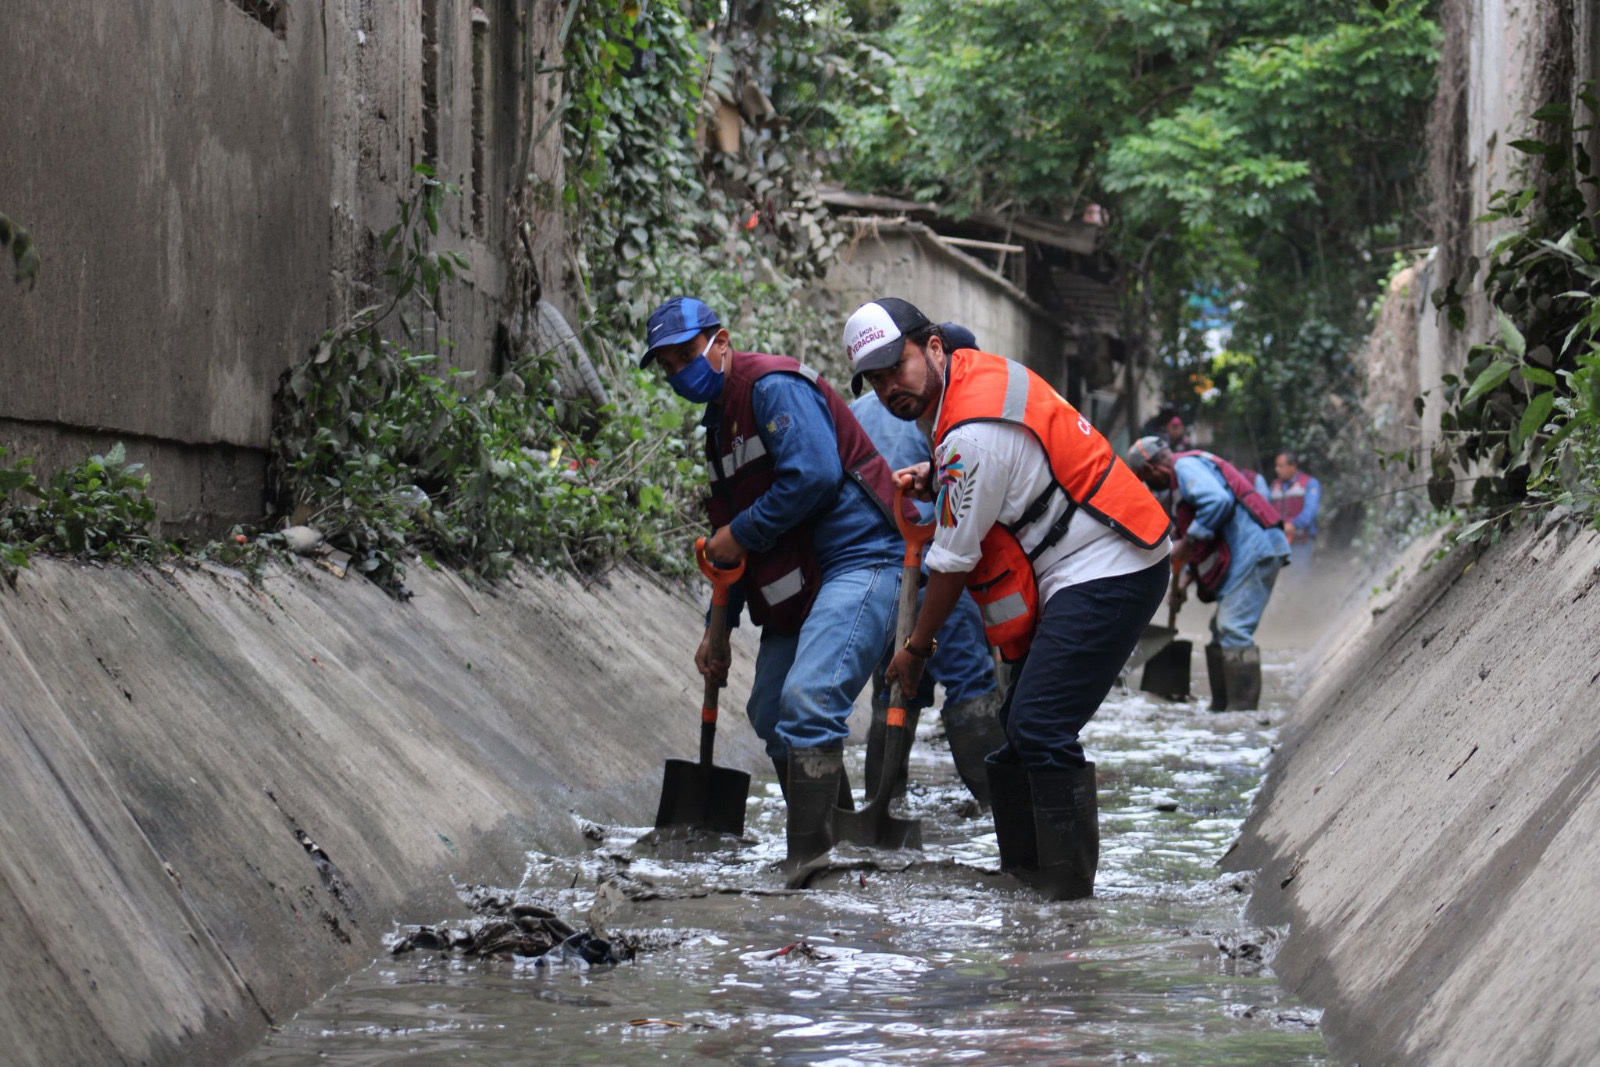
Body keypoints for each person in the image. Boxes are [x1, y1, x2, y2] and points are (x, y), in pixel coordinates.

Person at [844, 297, 1172, 900]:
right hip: (1081, 557)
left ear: (935, 347)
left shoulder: (968, 434)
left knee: (1040, 726)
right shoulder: (969, 384)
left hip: (1111, 563)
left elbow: (951, 562)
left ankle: (1066, 897)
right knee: (1019, 731)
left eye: (899, 366)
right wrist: (935, 474)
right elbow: (999, 464)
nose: (892, 387)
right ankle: (1025, 883)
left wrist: (915, 650)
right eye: (877, 378)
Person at [641, 296, 903, 873]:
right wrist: (719, 631)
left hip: (860, 557)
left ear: (722, 340)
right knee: (769, 712)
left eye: (686, 354)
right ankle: (838, 844)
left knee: (807, 703)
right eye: (667, 365)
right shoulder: (718, 433)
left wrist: (739, 531)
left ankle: (807, 862)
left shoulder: (771, 387)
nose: (678, 371)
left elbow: (813, 475)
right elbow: (727, 548)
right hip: (799, 582)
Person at [848, 323, 1004, 808]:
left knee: (894, 690)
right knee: (971, 685)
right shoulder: (942, 414)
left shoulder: (858, 412)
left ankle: (881, 811)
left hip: (876, 575)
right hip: (936, 572)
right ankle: (1002, 811)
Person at [1125, 437, 1290, 712]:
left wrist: (1186, 543)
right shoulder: (1179, 486)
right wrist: (1184, 582)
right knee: (1219, 630)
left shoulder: (1186, 466)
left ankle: (1242, 713)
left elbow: (1217, 501)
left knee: (1233, 628)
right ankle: (1221, 708)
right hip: (1244, 554)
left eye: (1144, 478)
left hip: (1254, 549)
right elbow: (1201, 538)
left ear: (1151, 469)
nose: (1148, 485)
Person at [1269, 451, 1321, 572]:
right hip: (1279, 542)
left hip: (1301, 542)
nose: (1277, 470)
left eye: (1281, 466)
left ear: (1292, 466)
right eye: (1276, 466)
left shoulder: (1310, 483)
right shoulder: (1274, 485)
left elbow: (1310, 512)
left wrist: (1293, 525)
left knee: (1298, 578)